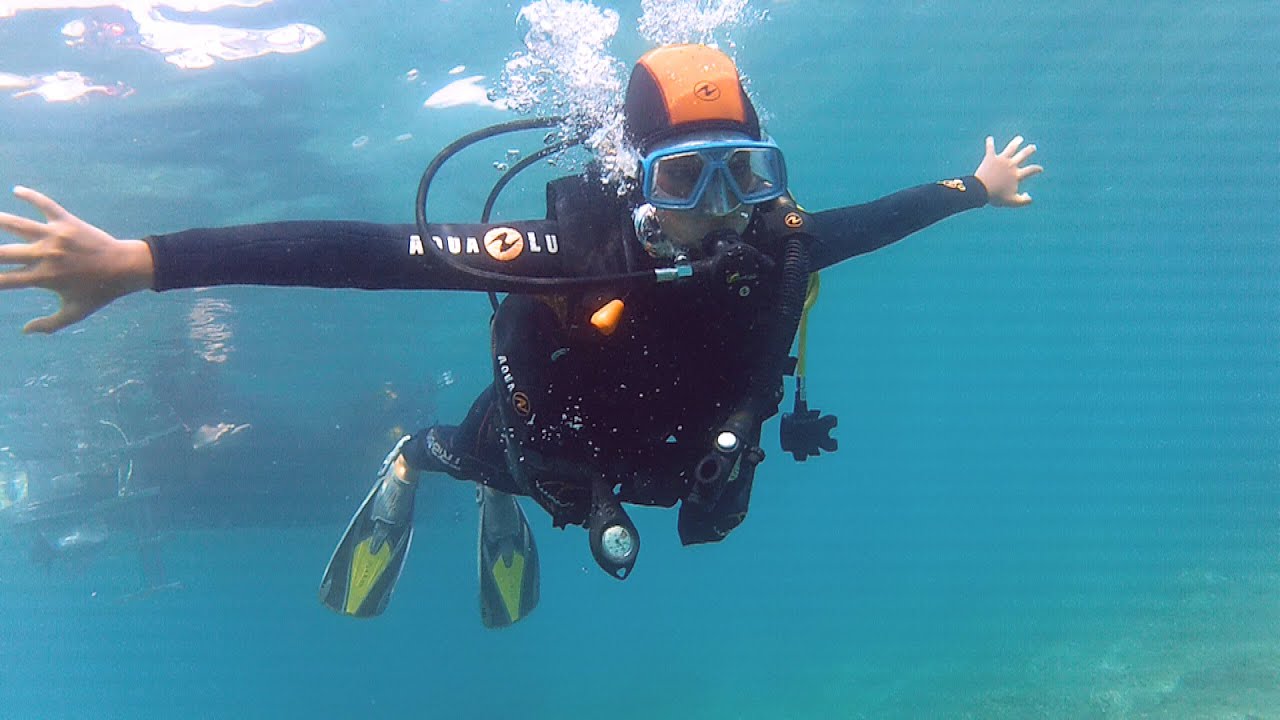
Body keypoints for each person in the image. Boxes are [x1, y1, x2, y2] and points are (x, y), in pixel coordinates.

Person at [0, 44, 1041, 626]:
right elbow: (362, 252)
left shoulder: (782, 247)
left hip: (674, 459)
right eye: (686, 178)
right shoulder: (558, 253)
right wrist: (142, 260)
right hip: (538, 441)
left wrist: (978, 186)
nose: (723, 208)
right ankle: (416, 458)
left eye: (747, 173)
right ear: (636, 179)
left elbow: (892, 213)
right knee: (473, 454)